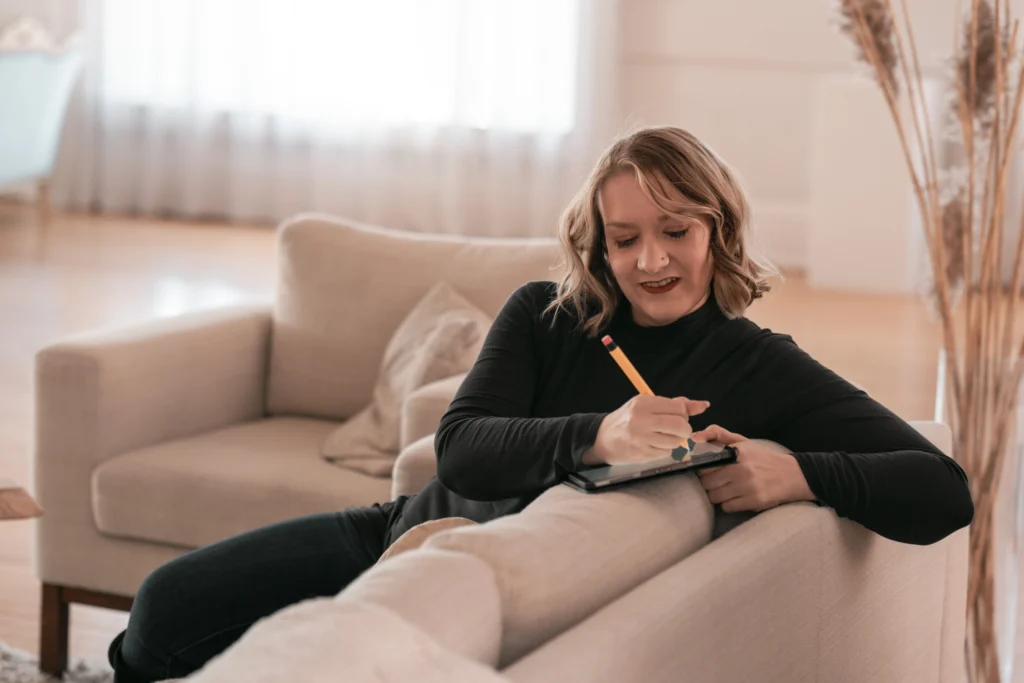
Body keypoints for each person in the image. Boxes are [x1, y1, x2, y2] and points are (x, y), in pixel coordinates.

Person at [107, 126, 974, 682]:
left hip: (459, 581)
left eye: (677, 230)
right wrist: (600, 433)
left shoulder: (758, 365)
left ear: (720, 231)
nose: (651, 261)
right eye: (624, 238)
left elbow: (941, 488)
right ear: (597, 243)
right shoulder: (546, 315)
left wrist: (800, 473)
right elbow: (463, 449)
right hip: (396, 530)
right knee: (162, 608)